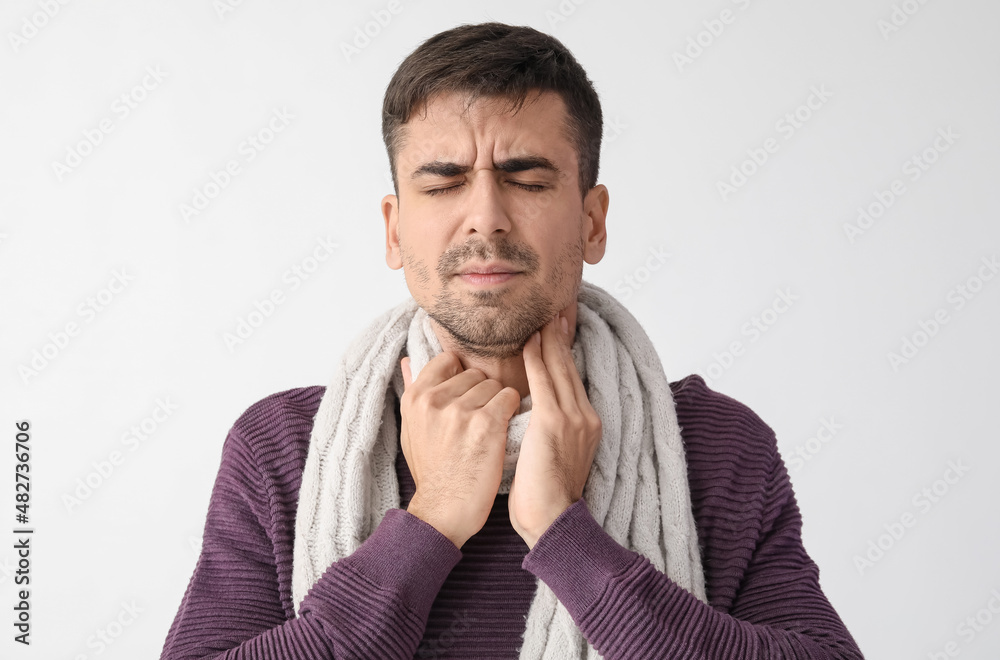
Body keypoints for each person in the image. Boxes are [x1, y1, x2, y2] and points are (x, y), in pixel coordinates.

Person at [160, 22, 865, 660]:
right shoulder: (282, 448)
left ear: (593, 222)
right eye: (443, 185)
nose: (485, 218)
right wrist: (430, 521)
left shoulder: (715, 446)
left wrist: (565, 534)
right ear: (394, 229)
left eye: (526, 179)